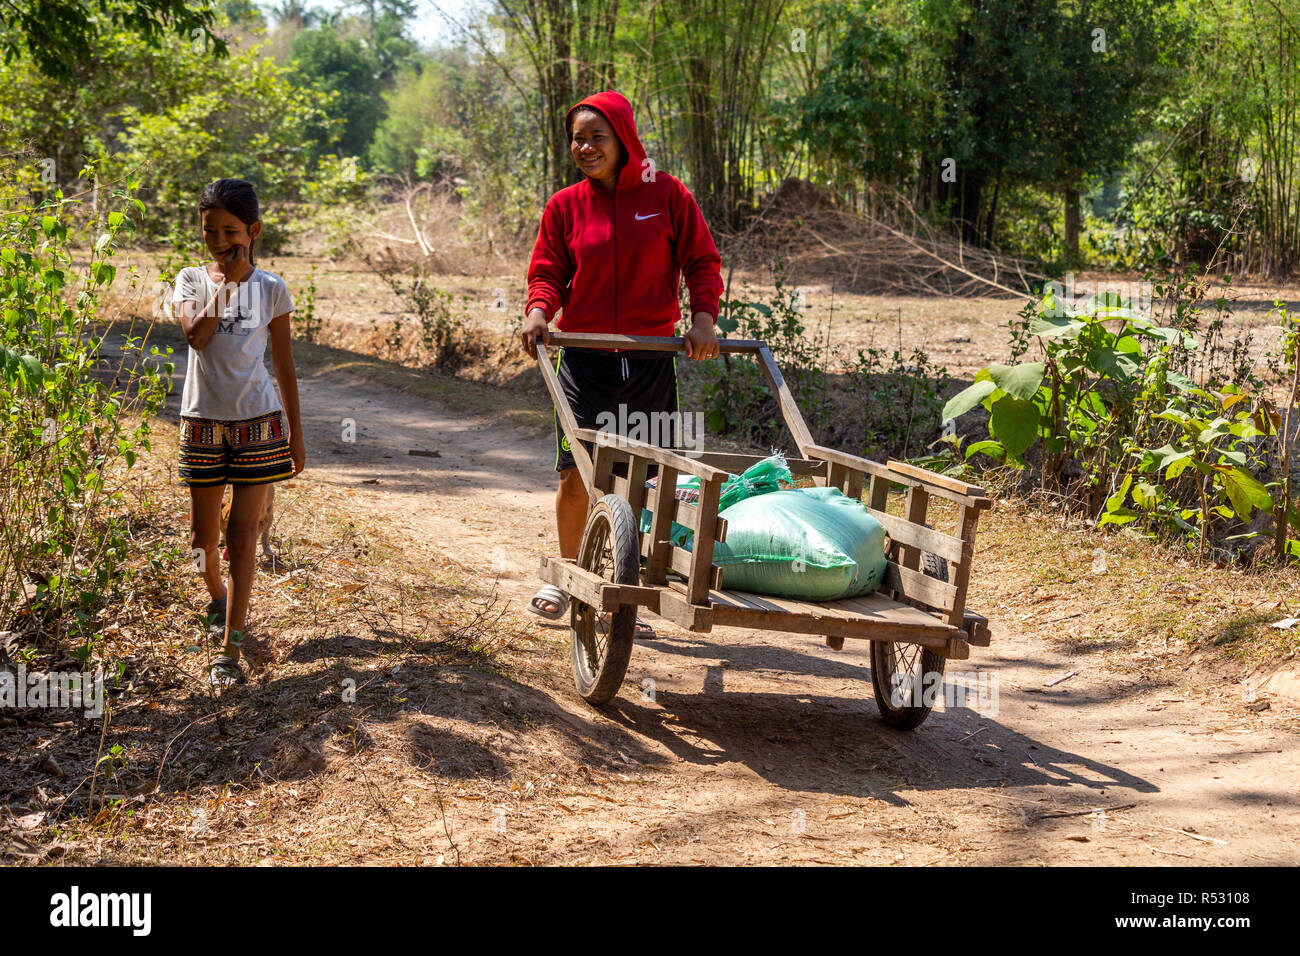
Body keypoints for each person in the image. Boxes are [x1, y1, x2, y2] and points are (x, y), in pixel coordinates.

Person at [521, 90, 724, 637]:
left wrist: (703, 321)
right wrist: (540, 312)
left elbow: (701, 260)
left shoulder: (666, 194)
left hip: (651, 360)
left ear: (624, 138)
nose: (584, 147)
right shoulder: (565, 205)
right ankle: (568, 577)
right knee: (575, 474)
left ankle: (638, 584)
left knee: (652, 479)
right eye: (577, 139)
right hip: (584, 361)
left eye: (596, 137)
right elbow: (548, 272)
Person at [171, 178, 306, 687]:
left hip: (260, 424)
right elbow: (197, 338)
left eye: (230, 231)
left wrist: (296, 434)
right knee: (203, 541)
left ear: (253, 230)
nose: (219, 241)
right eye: (210, 231)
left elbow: (285, 365)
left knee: (242, 535)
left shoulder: (272, 288)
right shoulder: (189, 280)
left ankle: (231, 642)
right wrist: (225, 282)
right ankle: (220, 600)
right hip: (202, 424)